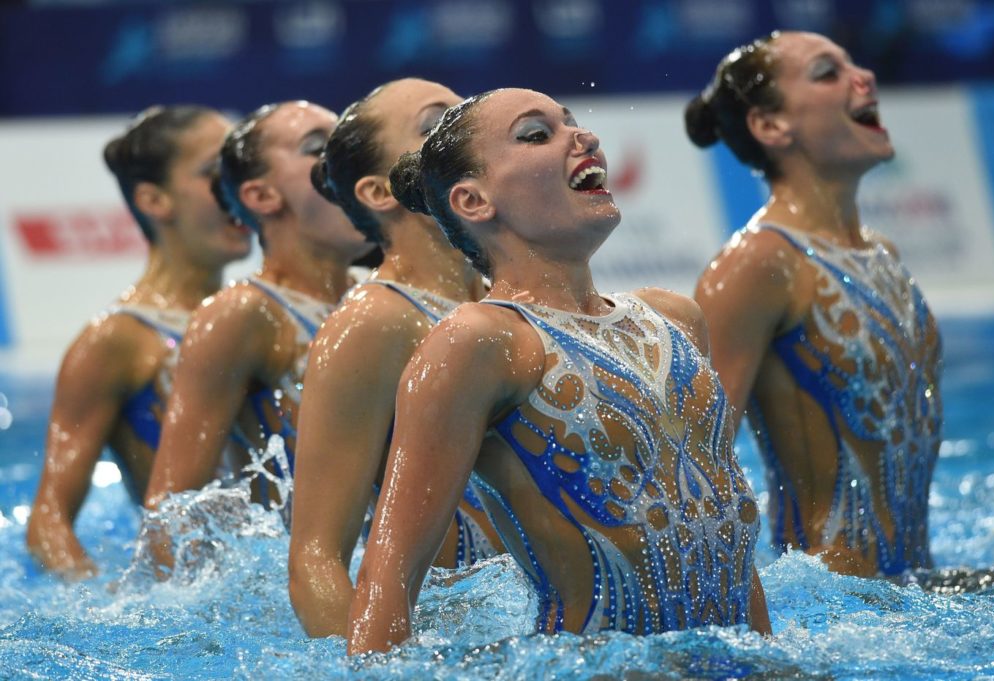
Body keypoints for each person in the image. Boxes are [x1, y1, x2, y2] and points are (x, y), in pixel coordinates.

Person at [347, 88, 771, 654]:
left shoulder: (675, 319)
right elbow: (391, 571)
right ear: (474, 201)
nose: (584, 137)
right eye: (535, 134)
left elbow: (728, 538)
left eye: (572, 123)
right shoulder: (482, 341)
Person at [687, 32, 942, 578]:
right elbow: (694, 468)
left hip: (918, 585)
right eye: (828, 73)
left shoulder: (881, 251)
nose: (864, 77)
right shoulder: (755, 266)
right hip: (836, 605)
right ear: (771, 125)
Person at [288, 79, 505, 638]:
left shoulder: (507, 304)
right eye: (437, 127)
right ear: (382, 192)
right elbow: (315, 557)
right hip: (451, 637)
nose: (461, 137)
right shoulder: (375, 321)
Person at [26, 106, 253, 578]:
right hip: (196, 601)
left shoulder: (260, 318)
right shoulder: (116, 341)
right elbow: (48, 521)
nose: (236, 188)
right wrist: (104, 607)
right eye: (215, 172)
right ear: (154, 200)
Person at [143, 101, 371, 519]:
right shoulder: (242, 315)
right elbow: (171, 513)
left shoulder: (382, 300)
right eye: (319, 148)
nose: (345, 161)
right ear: (263, 196)